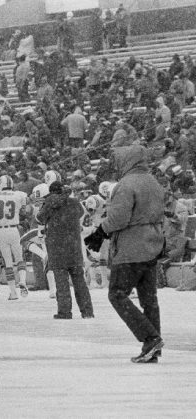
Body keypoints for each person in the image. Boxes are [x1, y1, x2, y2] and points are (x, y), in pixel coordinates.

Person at [85, 145, 165, 363]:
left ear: (127, 161)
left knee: (117, 293)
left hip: (132, 247)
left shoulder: (126, 184)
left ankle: (150, 338)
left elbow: (119, 217)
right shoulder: (153, 181)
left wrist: (100, 231)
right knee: (149, 299)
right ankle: (153, 346)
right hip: (153, 244)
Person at [37, 182, 94, 319]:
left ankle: (65, 311)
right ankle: (87, 311)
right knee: (79, 281)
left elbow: (40, 218)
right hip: (73, 245)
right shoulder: (74, 202)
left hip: (57, 246)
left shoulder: (49, 202)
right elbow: (80, 213)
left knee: (61, 282)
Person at [0, 175, 29, 300]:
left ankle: (13, 292)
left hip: (1, 230)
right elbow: (25, 210)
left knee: (8, 263)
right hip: (14, 229)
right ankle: (22, 281)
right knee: (20, 258)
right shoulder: (19, 194)